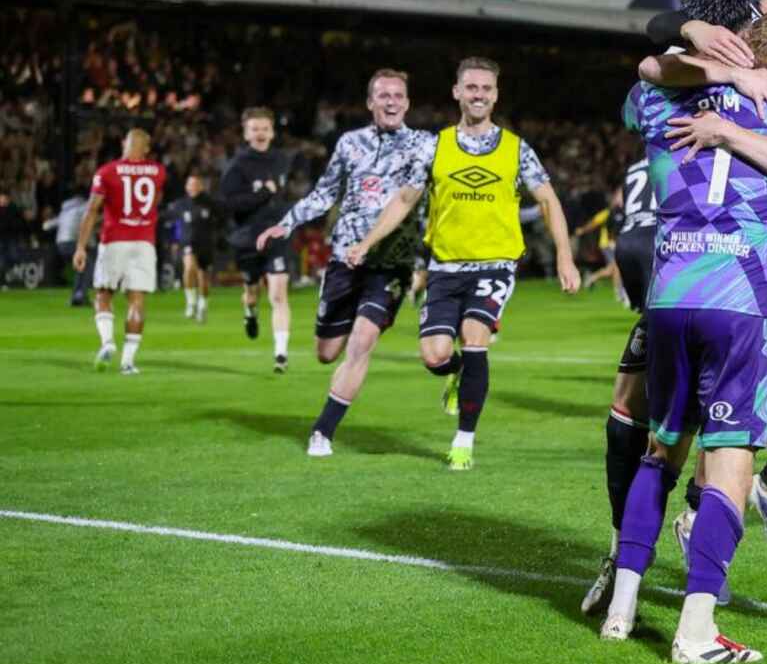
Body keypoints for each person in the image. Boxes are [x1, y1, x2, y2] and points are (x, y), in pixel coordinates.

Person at [603, 6, 767, 664]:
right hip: (741, 301)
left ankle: (622, 608)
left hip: (671, 293)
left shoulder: (660, 99)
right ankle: (697, 631)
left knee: (663, 449)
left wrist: (704, 70)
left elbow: (645, 72)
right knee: (730, 463)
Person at [349, 57, 580, 470]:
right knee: (435, 355)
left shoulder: (516, 149)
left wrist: (565, 256)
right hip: (444, 268)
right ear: (456, 92)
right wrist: (367, 241)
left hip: (495, 265)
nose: (478, 95)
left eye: (486, 89)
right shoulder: (434, 146)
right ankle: (455, 373)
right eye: (471, 87)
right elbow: (404, 200)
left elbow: (548, 200)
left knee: (476, 339)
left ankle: (463, 442)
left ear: (496, 94)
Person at [257, 69, 432, 457]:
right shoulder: (349, 144)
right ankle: (333, 361)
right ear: (370, 102)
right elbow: (324, 194)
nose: (391, 101)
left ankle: (323, 431)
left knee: (363, 340)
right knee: (326, 351)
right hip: (344, 260)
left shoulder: (425, 146)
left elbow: (421, 197)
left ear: (407, 102)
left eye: (398, 95)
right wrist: (286, 224)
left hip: (391, 263)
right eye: (383, 95)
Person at [73, 129, 167, 374]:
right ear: (146, 148)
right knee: (137, 300)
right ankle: (128, 362)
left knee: (103, 294)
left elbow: (92, 210)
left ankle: (107, 342)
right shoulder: (158, 171)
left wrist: (81, 246)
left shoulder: (107, 171)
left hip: (114, 239)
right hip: (144, 241)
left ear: (125, 143)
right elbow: (155, 201)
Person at [220, 108, 295, 372]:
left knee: (278, 293)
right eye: (255, 129)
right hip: (248, 238)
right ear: (246, 133)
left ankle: (281, 355)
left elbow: (285, 194)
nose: (260, 133)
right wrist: (262, 194)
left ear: (272, 131)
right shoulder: (236, 165)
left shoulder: (282, 160)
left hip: (276, 235)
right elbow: (229, 204)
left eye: (264, 128)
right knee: (252, 293)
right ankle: (250, 313)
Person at [166, 173, 219, 323]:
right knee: (189, 268)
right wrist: (174, 241)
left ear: (201, 186)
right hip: (188, 243)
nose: (193, 187)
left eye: (196, 185)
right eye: (190, 184)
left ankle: (202, 305)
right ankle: (191, 302)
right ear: (186, 187)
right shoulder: (180, 204)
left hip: (206, 245)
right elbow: (172, 223)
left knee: (204, 278)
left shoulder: (210, 203)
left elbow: (221, 220)